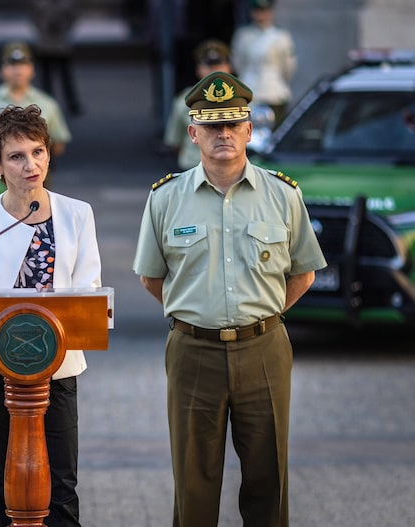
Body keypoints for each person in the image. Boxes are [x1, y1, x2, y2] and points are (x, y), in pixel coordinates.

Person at [132, 72, 326, 527]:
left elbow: (304, 272)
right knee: (194, 482)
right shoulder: (165, 198)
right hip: (193, 351)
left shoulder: (283, 194)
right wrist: (198, 312)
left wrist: (263, 315)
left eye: (233, 124)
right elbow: (150, 278)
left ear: (249, 130)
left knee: (268, 480)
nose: (223, 134)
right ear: (192, 133)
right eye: (212, 125)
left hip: (264, 349)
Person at [0, 104, 100, 527]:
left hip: (54, 365)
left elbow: (88, 292)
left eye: (38, 152)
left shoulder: (77, 214)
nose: (30, 165)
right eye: (16, 156)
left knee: (61, 484)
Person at [0, 41, 71, 187]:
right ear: (2, 70)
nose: (18, 71)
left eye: (23, 65)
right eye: (12, 65)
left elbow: (58, 144)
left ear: (32, 69)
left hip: (36, 177)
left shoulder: (47, 103)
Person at [163, 39, 233, 171]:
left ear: (229, 67)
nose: (214, 72)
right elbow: (175, 141)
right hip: (193, 166)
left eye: (219, 66)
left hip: (231, 169)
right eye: (209, 67)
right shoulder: (184, 100)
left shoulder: (244, 98)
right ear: (198, 69)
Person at [231, 0, 296, 127]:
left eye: (264, 11)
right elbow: (238, 64)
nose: (260, 15)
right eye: (257, 11)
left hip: (274, 92)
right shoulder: (243, 35)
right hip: (250, 90)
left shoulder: (281, 36)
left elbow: (288, 67)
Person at [30, 0, 83, 115]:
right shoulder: (41, 4)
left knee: (65, 77)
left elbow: (73, 17)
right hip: (47, 44)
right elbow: (34, 17)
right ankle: (47, 104)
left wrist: (64, 28)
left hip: (60, 44)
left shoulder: (66, 4)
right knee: (46, 78)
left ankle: (72, 104)